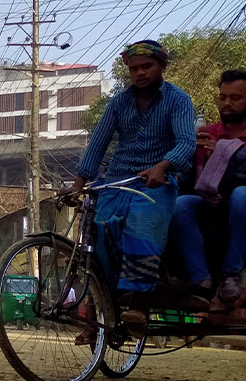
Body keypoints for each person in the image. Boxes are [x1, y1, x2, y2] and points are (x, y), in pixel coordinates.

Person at [69, 40, 196, 333]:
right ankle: (105, 307)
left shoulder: (178, 100)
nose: (140, 73)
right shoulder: (118, 102)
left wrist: (163, 167)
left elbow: (187, 143)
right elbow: (98, 143)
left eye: (147, 66)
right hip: (116, 181)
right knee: (96, 233)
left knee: (141, 226)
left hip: (157, 182)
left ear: (162, 66)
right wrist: (79, 183)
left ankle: (139, 303)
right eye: (134, 68)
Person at [171, 69, 246, 311]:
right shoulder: (209, 131)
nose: (227, 103)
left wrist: (225, 154)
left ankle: (231, 273)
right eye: (223, 97)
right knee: (180, 205)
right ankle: (200, 278)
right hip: (211, 204)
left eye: (235, 98)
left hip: (245, 206)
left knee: (242, 195)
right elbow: (192, 176)